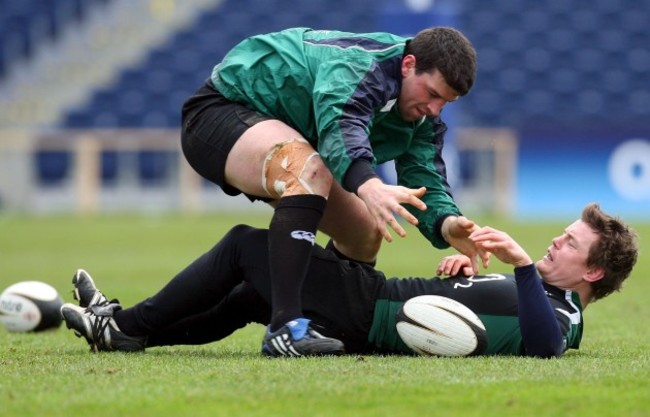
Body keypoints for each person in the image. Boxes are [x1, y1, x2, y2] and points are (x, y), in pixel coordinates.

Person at [180, 26, 488, 355]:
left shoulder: (422, 115)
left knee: (365, 230)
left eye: (446, 102)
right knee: (307, 167)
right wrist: (369, 185)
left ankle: (128, 326)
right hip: (220, 112)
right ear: (408, 64)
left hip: (288, 142)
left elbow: (424, 176)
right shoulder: (360, 66)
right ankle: (286, 327)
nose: (435, 109)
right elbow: (341, 121)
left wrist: (448, 223)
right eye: (432, 93)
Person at [60, 203, 637, 358]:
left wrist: (515, 266)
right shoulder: (541, 294)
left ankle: (122, 326)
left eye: (570, 244)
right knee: (247, 298)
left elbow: (544, 345)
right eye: (561, 233)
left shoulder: (565, 315)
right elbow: (493, 317)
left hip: (370, 308)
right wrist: (459, 279)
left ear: (593, 272)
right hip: (370, 304)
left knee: (243, 244)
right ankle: (129, 332)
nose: (554, 242)